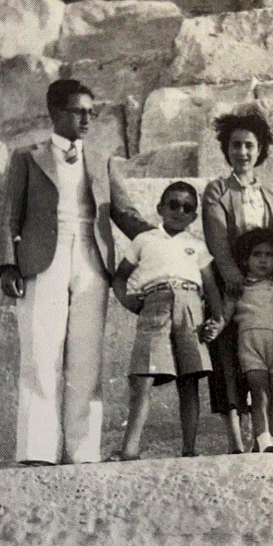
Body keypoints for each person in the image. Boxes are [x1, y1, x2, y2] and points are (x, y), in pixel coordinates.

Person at [0, 79, 154, 466]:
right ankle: (38, 450)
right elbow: (6, 217)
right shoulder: (26, 156)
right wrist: (7, 265)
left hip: (92, 261)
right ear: (54, 113)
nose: (87, 119)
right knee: (40, 353)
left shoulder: (101, 158)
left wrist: (160, 242)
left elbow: (125, 213)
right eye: (77, 111)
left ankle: (83, 450)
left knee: (87, 357)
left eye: (91, 111)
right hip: (40, 261)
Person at [202, 111, 273, 453]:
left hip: (267, 287)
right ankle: (235, 441)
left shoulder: (272, 197)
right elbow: (216, 237)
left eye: (249, 145)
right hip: (231, 285)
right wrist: (233, 278)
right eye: (235, 145)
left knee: (271, 367)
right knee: (228, 361)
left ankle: (268, 438)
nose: (242, 152)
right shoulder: (216, 190)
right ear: (226, 149)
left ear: (260, 151)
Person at [109, 182, 223, 460]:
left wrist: (217, 318)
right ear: (160, 208)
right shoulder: (145, 240)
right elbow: (121, 276)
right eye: (173, 204)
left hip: (190, 307)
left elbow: (210, 286)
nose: (179, 211)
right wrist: (128, 301)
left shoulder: (195, 246)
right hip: (155, 303)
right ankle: (130, 449)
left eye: (187, 208)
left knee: (190, 378)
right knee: (143, 378)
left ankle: (189, 448)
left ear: (194, 215)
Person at [203, 228, 273, 453]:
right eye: (257, 254)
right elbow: (225, 316)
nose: (263, 259)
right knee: (260, 394)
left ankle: (272, 443)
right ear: (246, 260)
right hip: (250, 345)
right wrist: (213, 329)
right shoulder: (238, 290)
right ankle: (264, 441)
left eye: (269, 255)